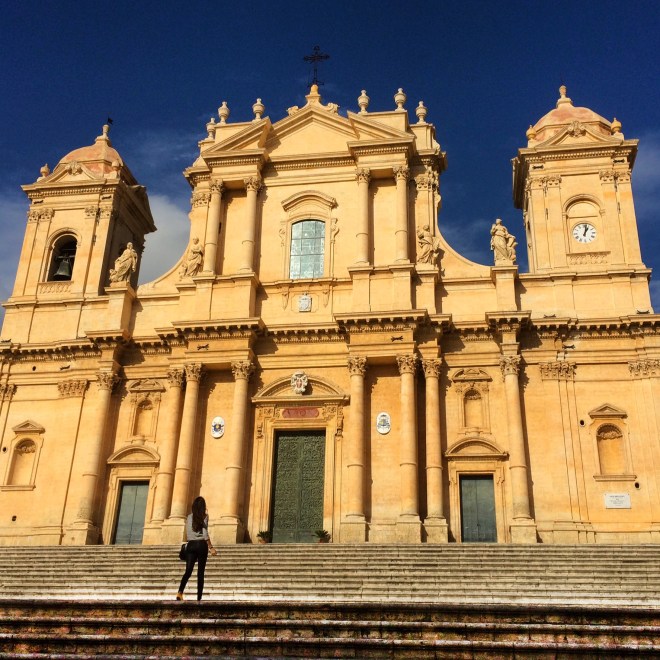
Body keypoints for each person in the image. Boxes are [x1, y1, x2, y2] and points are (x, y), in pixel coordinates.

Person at [176, 496, 217, 601]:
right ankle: (199, 599)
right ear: (203, 506)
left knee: (188, 571)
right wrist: (211, 547)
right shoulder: (204, 516)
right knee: (200, 573)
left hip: (191, 545)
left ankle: (180, 592)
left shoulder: (189, 517)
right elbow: (205, 533)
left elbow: (188, 533)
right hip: (201, 545)